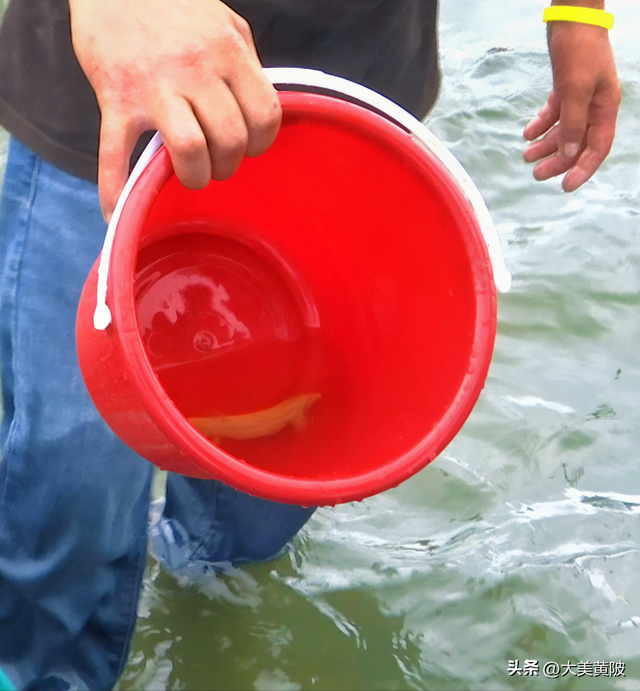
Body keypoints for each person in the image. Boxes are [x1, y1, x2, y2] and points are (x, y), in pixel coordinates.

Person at [0, 0, 621, 689]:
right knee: (68, 487)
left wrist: (579, 14)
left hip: (349, 97)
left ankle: (205, 604)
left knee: (260, 507)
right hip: (114, 89)